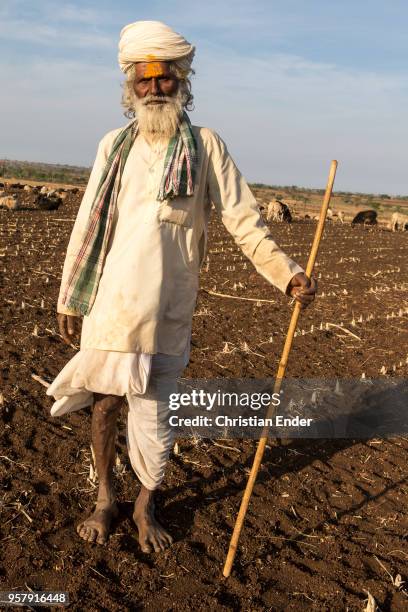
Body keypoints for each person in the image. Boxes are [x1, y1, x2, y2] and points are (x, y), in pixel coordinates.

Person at [46, 20, 317, 552]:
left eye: (163, 77)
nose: (153, 88)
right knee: (103, 405)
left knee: (155, 413)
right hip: (109, 303)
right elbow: (87, 224)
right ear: (130, 84)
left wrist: (287, 274)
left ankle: (146, 507)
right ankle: (104, 498)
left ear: (181, 79)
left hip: (167, 310)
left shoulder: (207, 147)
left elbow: (244, 221)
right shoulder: (113, 146)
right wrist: (67, 294)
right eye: (142, 78)